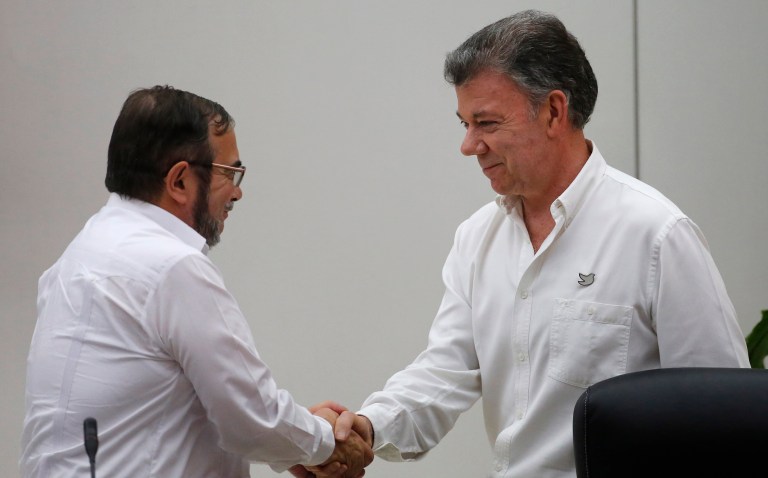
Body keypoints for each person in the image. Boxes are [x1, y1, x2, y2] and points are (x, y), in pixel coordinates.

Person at [302, 9, 750, 478]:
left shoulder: (656, 234)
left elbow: (724, 415)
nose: (469, 145)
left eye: (487, 123)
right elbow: (443, 373)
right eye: (464, 124)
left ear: (554, 111)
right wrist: (367, 427)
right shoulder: (477, 237)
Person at [20, 86, 372, 478]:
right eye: (229, 173)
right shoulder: (171, 267)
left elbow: (159, 412)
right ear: (180, 181)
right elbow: (252, 418)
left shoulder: (77, 257)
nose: (237, 192)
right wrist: (325, 441)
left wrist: (296, 440)